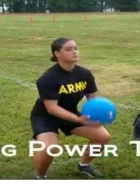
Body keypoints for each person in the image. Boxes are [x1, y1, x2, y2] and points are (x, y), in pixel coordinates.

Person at [30, 38, 111, 179]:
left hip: (70, 112)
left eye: (75, 48)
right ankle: (40, 177)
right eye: (68, 49)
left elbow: (91, 96)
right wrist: (80, 119)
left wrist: (96, 114)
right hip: (45, 117)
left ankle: (83, 166)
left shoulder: (84, 74)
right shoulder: (48, 78)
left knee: (102, 136)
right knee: (49, 148)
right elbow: (52, 109)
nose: (74, 52)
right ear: (56, 54)